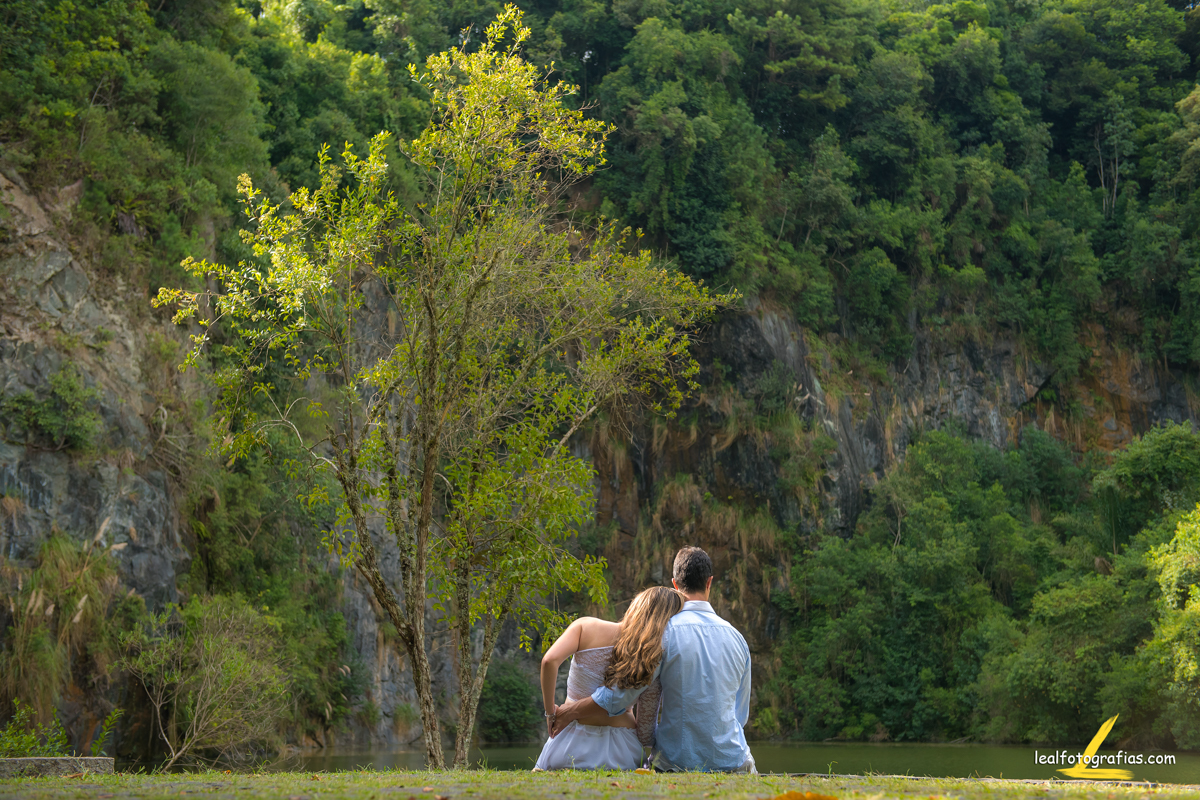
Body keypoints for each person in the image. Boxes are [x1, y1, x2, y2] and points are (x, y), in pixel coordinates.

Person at [552, 546, 754, 773]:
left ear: (675, 584)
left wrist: (569, 711)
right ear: (709, 582)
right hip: (735, 761)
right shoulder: (738, 638)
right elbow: (740, 715)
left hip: (677, 763)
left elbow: (620, 696)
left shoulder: (662, 634)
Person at [534, 586, 683, 770]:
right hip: (623, 751)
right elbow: (645, 728)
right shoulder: (651, 657)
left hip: (569, 742)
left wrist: (550, 714)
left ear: (636, 606)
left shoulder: (585, 627)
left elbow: (549, 661)